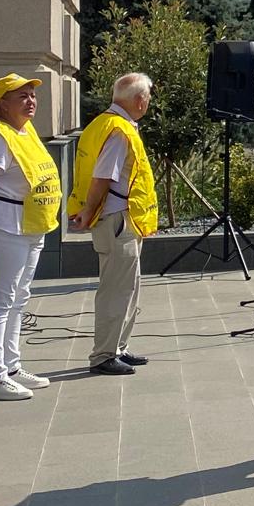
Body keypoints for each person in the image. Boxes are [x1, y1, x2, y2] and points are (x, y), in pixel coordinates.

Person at [0, 74, 62, 399]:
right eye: (21, 96)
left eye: (32, 95)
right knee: (2, 299)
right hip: (4, 224)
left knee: (19, 297)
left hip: (31, 223)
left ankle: (11, 365)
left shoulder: (25, 132)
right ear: (3, 103)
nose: (30, 101)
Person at [68, 73, 159, 377]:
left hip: (121, 218)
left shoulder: (103, 123)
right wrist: (90, 210)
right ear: (138, 100)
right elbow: (103, 176)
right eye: (147, 96)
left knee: (127, 287)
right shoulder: (119, 130)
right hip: (117, 219)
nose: (148, 101)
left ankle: (117, 348)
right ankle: (104, 354)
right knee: (117, 289)